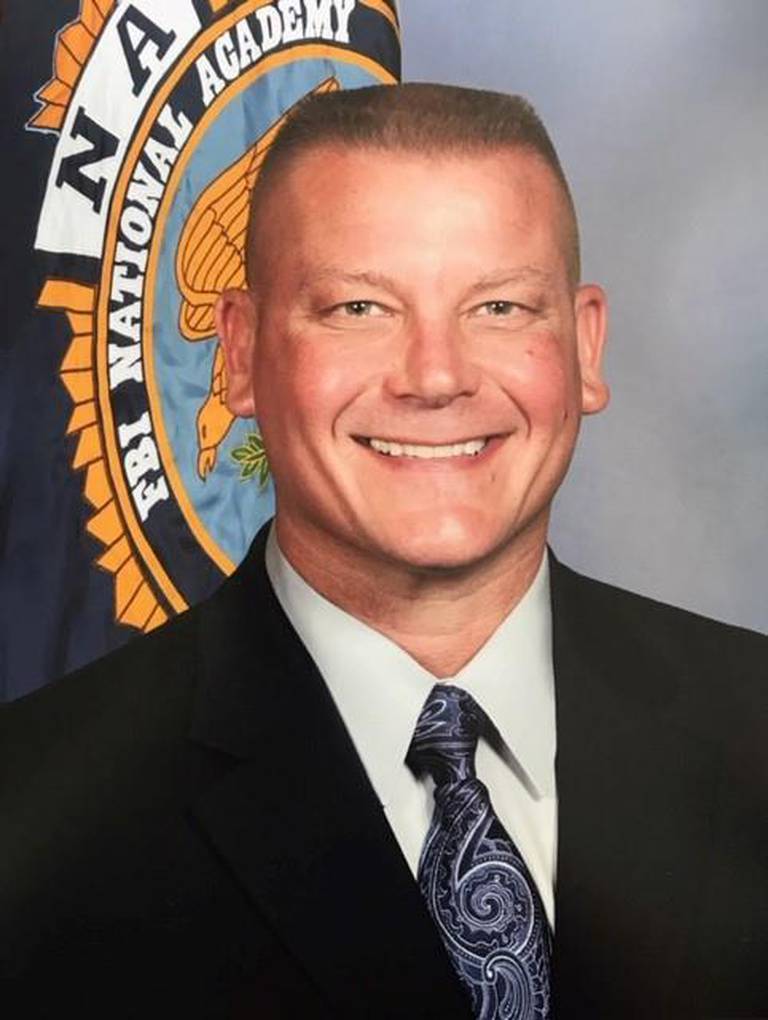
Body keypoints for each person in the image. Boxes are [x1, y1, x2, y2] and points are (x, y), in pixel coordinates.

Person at [1, 84, 765, 1019]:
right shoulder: (32, 821)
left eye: (500, 308)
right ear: (237, 356)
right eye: (359, 307)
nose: (435, 377)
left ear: (585, 345)